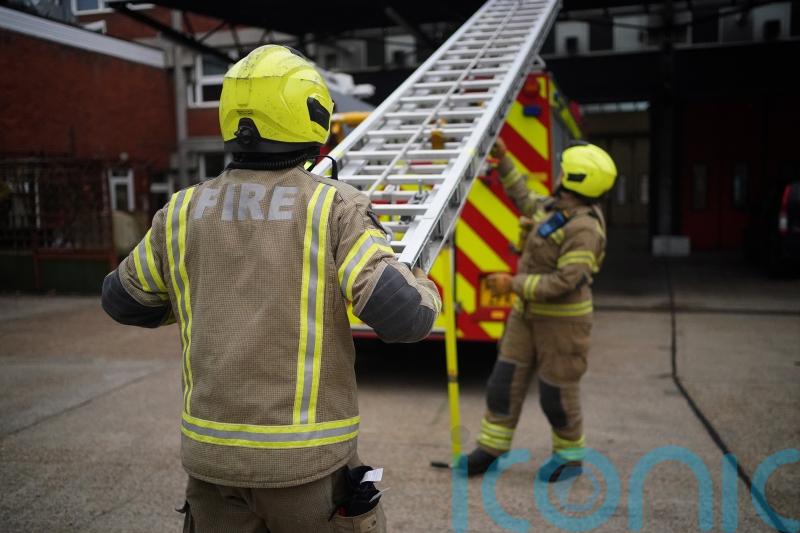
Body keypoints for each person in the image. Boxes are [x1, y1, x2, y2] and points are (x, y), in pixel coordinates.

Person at [101, 45, 441, 532]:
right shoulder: (333, 208)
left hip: (210, 466)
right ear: (311, 115)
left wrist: (197, 293)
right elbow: (403, 318)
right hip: (304, 467)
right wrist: (424, 285)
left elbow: (122, 299)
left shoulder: (180, 210)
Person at [463, 138, 616, 482]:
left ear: (576, 178)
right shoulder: (559, 208)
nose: (559, 173)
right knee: (503, 383)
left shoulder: (585, 228)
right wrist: (503, 162)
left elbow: (565, 281)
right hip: (526, 317)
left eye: (564, 170)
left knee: (556, 394)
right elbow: (526, 201)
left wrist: (512, 285)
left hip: (563, 325)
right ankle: (490, 450)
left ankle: (569, 458)